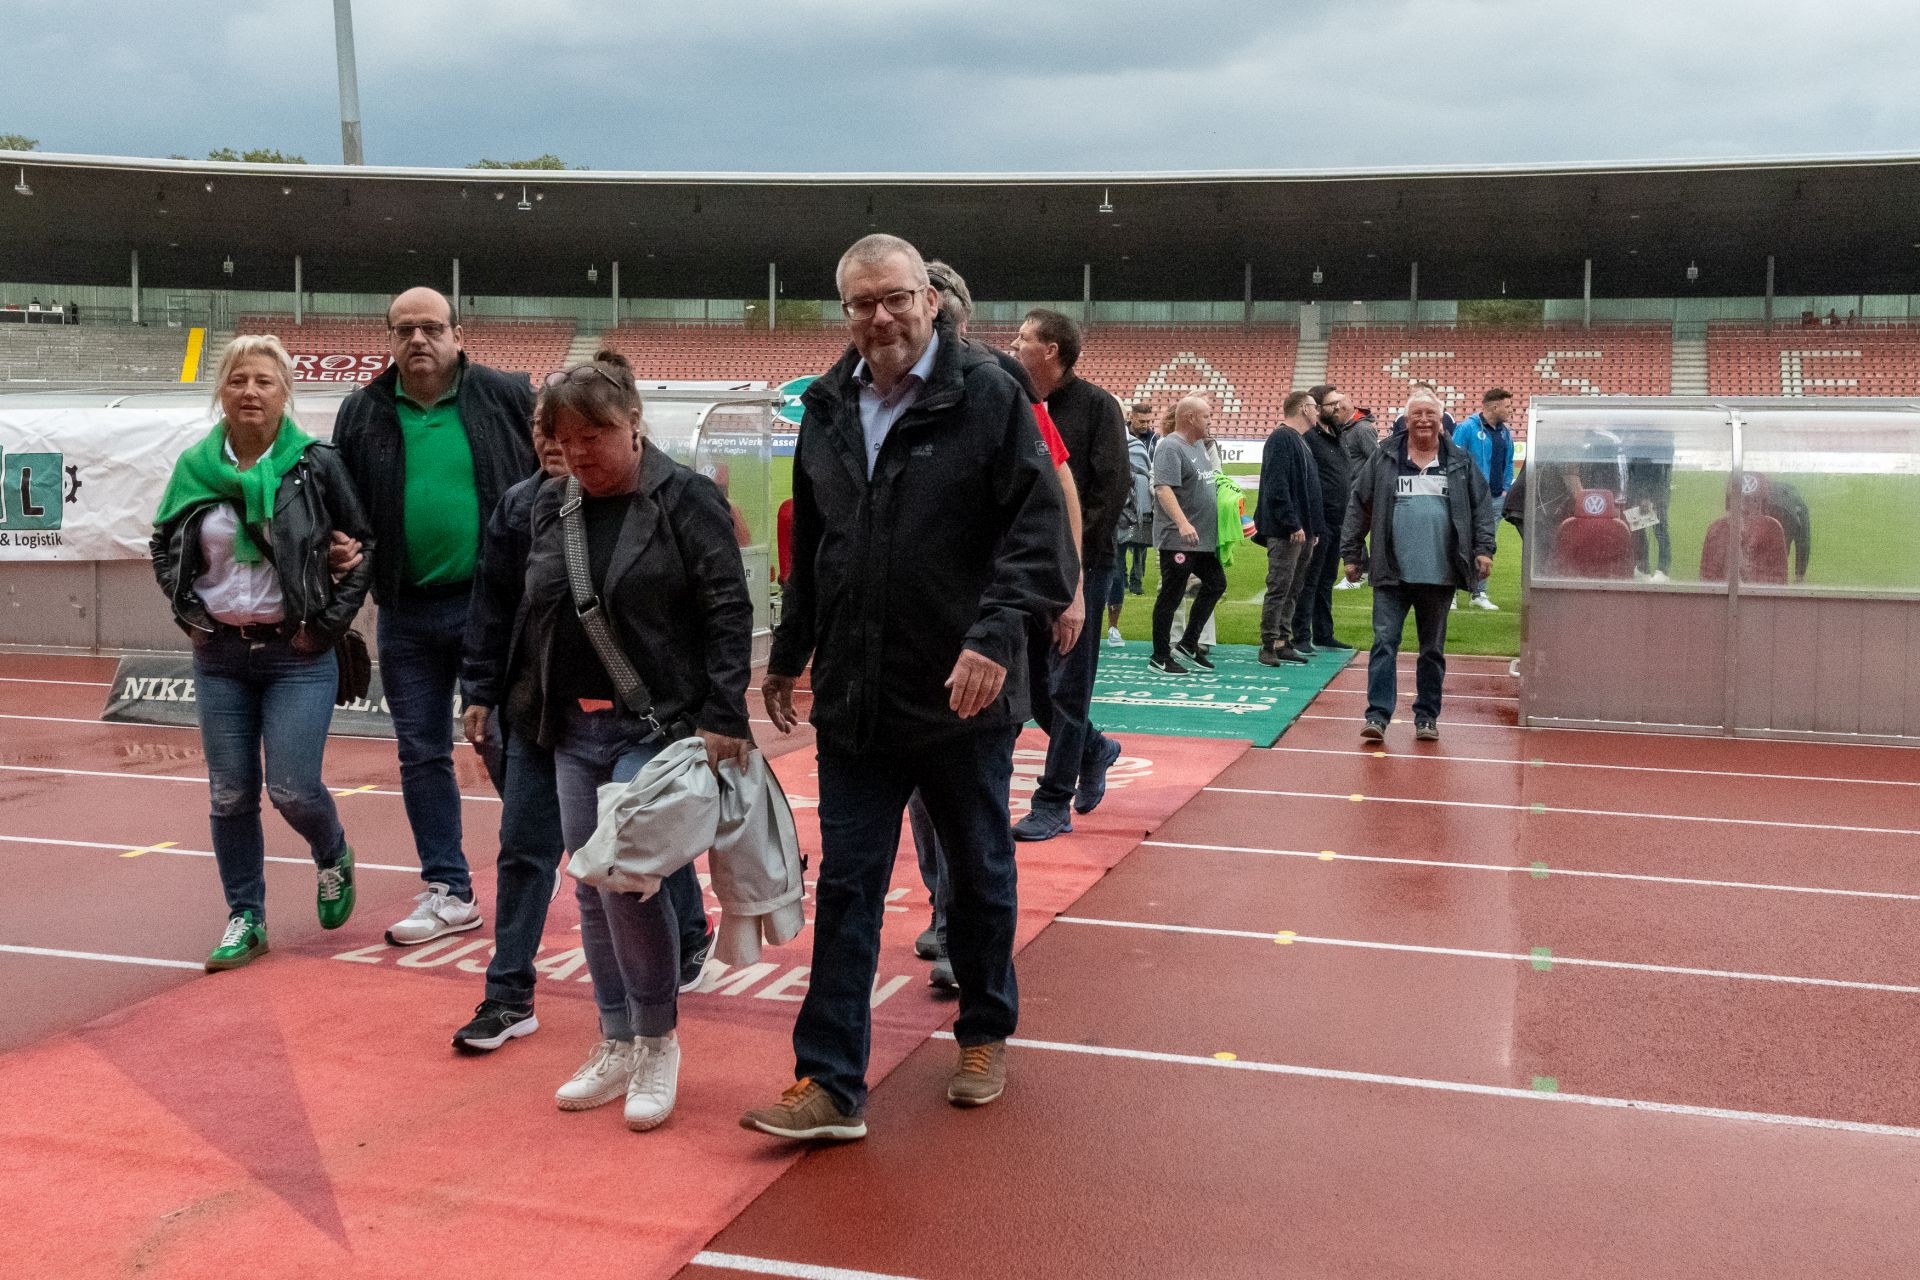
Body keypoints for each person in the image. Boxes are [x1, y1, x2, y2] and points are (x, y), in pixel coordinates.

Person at [743, 234, 1073, 1141]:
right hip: (857, 698)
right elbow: (816, 545)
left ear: (929, 298)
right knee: (848, 885)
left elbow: (1040, 535)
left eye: (895, 298)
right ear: (845, 312)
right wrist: (789, 651)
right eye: (862, 303)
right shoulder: (826, 406)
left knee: (977, 872)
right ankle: (829, 1082)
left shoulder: (990, 392)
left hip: (964, 695)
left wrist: (993, 638)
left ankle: (984, 1032)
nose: (880, 317)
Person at [503, 351, 754, 1127]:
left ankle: (656, 1041)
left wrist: (724, 714)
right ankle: (615, 1038)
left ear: (634, 424)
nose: (581, 452)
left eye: (597, 434)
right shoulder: (550, 506)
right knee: (588, 882)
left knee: (625, 879)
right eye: (566, 438)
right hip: (571, 727)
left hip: (660, 728)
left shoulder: (686, 500)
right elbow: (534, 611)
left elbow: (727, 608)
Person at [150, 335, 375, 971]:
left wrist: (324, 628)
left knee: (293, 788)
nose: (250, 391)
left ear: (285, 393)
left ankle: (331, 851)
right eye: (238, 380)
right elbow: (163, 544)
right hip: (219, 654)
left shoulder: (315, 464)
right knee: (229, 794)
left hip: (296, 654)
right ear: (221, 391)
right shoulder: (194, 466)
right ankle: (246, 917)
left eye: (264, 381)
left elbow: (363, 548)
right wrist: (188, 614)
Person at [333, 288, 537, 947]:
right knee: (421, 754)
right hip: (405, 612)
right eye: (404, 330)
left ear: (457, 334)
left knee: (502, 739)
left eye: (430, 327)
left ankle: (539, 858)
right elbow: (342, 504)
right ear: (389, 339)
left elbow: (553, 471)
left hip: (493, 608)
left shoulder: (506, 395)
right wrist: (339, 544)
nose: (417, 339)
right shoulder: (362, 411)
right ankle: (450, 890)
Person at [915, 260, 1076, 987]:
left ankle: (964, 935)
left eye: (934, 316)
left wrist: (1070, 591)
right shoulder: (871, 393)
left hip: (986, 627)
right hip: (911, 641)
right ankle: (944, 909)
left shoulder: (1001, 388)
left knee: (971, 795)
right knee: (922, 798)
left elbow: (1055, 490)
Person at [449, 399, 570, 1051]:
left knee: (637, 858)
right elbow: (491, 604)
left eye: (567, 427)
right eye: (542, 427)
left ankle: (686, 939)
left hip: (625, 722)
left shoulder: (656, 500)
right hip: (535, 710)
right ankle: (507, 996)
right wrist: (479, 692)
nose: (552, 440)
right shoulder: (517, 506)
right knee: (523, 848)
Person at [1010, 308, 1130, 841]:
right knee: (1035, 688)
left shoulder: (1097, 406)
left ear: (1051, 350)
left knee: (1068, 686)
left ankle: (1053, 801)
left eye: (1023, 338)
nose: (1014, 345)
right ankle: (1094, 748)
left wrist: (1072, 564)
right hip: (1030, 564)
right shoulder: (1017, 400)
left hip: (1084, 566)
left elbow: (1110, 490)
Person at [1341, 389, 1496, 743]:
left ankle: (1427, 717)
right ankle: (1377, 715)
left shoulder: (1460, 461)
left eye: (1430, 414)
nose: (1424, 420)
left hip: (1440, 574)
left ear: (1441, 421)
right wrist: (1351, 554)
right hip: (1390, 572)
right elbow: (1358, 504)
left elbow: (1481, 508)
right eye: (1417, 414)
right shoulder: (1383, 457)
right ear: (1406, 420)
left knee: (1432, 651)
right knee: (1384, 644)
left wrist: (1484, 549)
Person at [1148, 396, 1225, 675]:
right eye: (1206, 416)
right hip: (1179, 539)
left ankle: (1189, 643)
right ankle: (1160, 656)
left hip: (1200, 539)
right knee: (1172, 594)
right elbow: (1163, 488)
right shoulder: (1170, 447)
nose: (1210, 421)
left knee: (1216, 583)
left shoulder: (1199, 446)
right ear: (1190, 418)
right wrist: (1182, 523)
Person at [1254, 390, 1323, 666]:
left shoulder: (1298, 439)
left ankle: (1283, 639)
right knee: (1280, 586)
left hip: (1303, 530)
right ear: (1304, 408)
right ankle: (1268, 643)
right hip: (1287, 531)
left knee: (1294, 587)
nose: (1317, 412)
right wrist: (1292, 522)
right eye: (1314, 407)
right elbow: (1277, 485)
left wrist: (1312, 528)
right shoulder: (1282, 438)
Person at [1294, 387, 1360, 649]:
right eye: (1332, 404)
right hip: (1317, 521)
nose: (1338, 408)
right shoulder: (1309, 437)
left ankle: (1323, 633)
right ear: (1318, 407)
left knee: (1326, 578)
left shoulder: (1337, 433)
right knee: (1309, 580)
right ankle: (1300, 635)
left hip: (1338, 519)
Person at [1451, 388, 1514, 610]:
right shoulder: (1467, 428)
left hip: (1494, 499)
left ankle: (1479, 593)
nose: (1511, 411)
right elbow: (1454, 459)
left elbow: (1509, 463)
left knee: (1487, 545)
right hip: (1468, 498)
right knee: (1459, 542)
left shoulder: (1505, 433)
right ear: (1494, 407)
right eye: (1508, 406)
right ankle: (1452, 593)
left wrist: (1505, 488)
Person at [1106, 403, 1155, 646]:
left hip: (1123, 518)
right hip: (1091, 518)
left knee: (1116, 571)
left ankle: (1113, 627)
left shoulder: (1135, 446)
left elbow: (1143, 477)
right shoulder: (1094, 440)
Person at [1120, 401, 1157, 596]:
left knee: (1141, 542)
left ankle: (1137, 579)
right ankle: (1122, 577)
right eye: (1142, 421)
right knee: (1120, 539)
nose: (1146, 425)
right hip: (1122, 496)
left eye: (1148, 421)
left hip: (1144, 497)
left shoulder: (1155, 440)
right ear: (1131, 417)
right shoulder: (1120, 435)